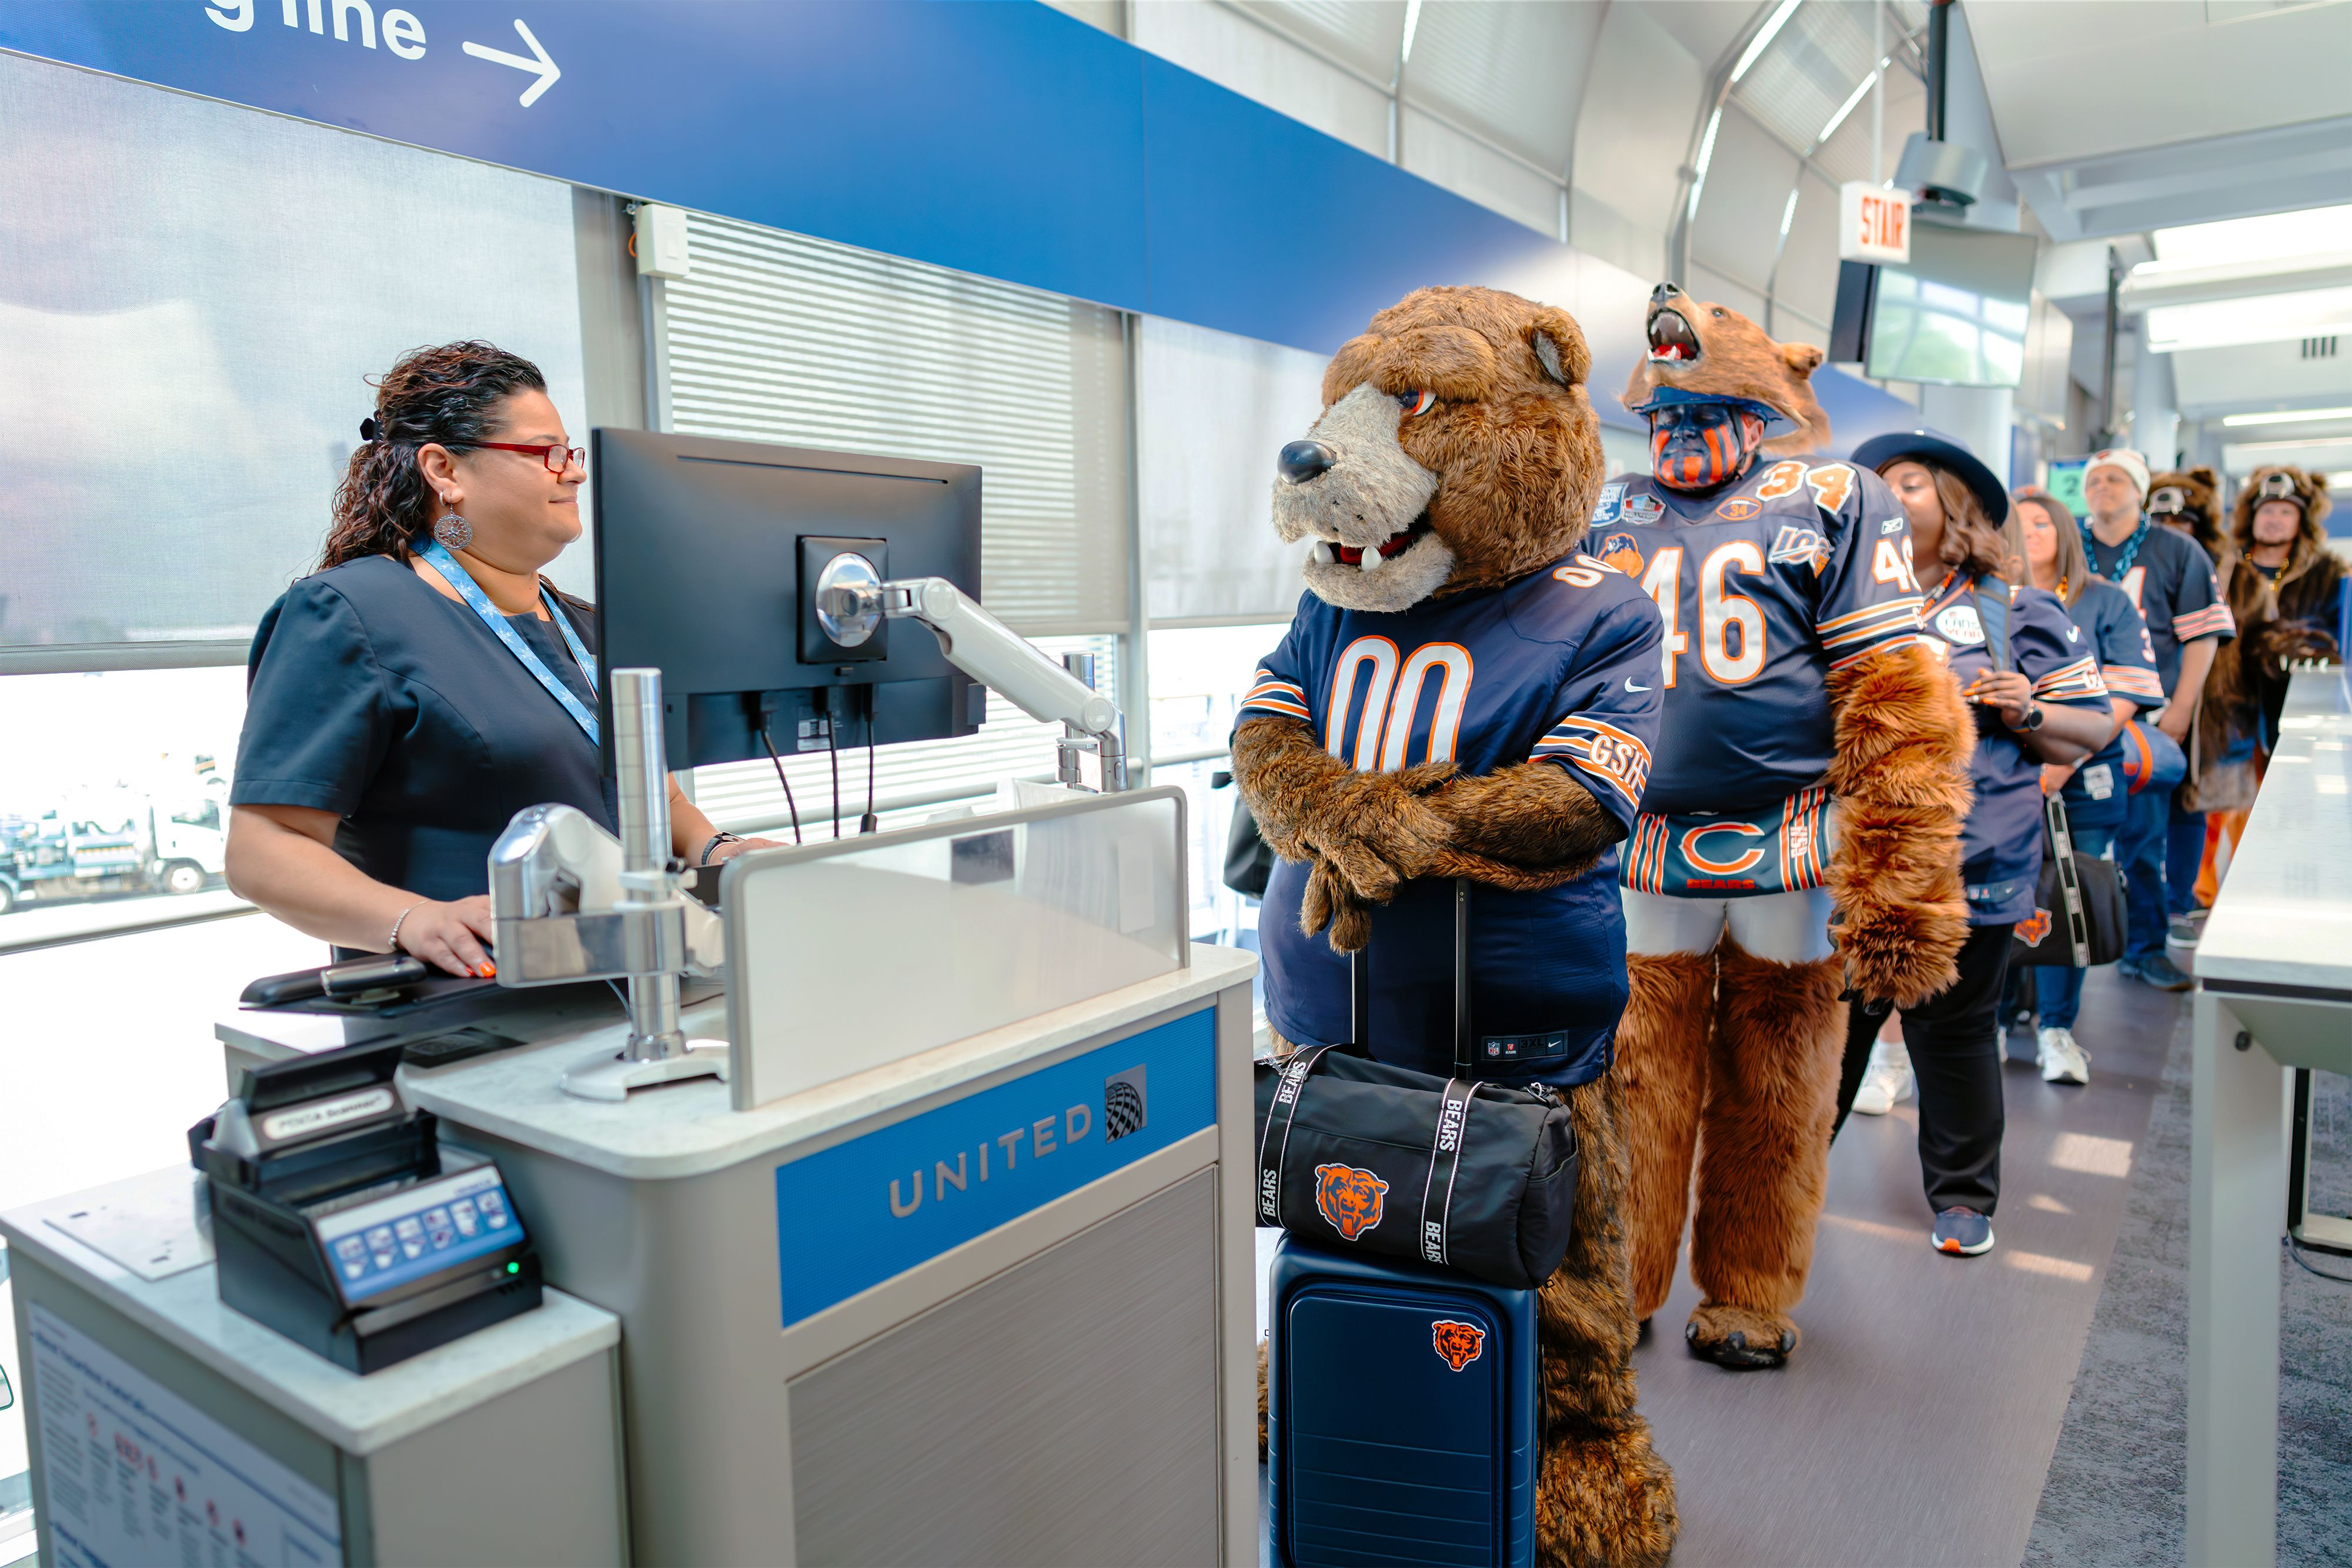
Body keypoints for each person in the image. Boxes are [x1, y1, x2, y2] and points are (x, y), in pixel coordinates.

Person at [1602, 290, 1973, 1362]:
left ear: (1758, 407)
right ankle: (1618, 1283)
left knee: (1779, 1078)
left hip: (1793, 836)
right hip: (1642, 842)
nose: (1675, 430)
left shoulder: (1835, 495)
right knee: (1632, 1072)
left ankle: (1753, 1289)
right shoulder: (1610, 510)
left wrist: (1898, 871)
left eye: (1698, 409)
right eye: (1660, 411)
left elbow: (1892, 684)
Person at [226, 341, 781, 975]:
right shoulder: (350, 614)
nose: (573, 472)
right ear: (445, 471)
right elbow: (263, 850)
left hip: (643, 986)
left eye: (569, 454)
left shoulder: (588, 625)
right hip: (470, 1010)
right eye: (546, 454)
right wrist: (412, 920)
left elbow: (654, 794)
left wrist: (717, 851)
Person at [1838, 433, 2113, 1258]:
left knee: (1956, 1033)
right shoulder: (1833, 599)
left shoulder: (2015, 610)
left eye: (1911, 485)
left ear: (1954, 507)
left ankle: (1962, 1197)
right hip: (1846, 867)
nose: (1889, 497)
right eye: (1875, 487)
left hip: (1974, 868)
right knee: (1827, 1036)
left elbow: (2089, 729)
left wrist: (2028, 707)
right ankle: (1777, 1190)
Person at [2008, 487, 2159, 1083]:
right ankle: (1992, 1022)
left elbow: (2123, 693)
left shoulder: (2104, 601)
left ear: (2065, 531)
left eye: (2043, 522)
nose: (2032, 532)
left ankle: (2056, 1030)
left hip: (2085, 774)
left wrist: (2061, 762)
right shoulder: (1986, 596)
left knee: (2067, 897)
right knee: (2001, 898)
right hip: (2006, 778)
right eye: (2020, 524)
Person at [2077, 450, 2233, 991]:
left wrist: (2183, 708)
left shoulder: (2177, 549)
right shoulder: (2068, 541)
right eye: (2094, 480)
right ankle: (2044, 960)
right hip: (2067, 715)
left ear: (2140, 490)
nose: (2103, 487)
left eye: (2115, 478)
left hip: (2144, 719)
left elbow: (2202, 635)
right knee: (2064, 843)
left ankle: (2145, 948)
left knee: (2144, 842)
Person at [2234, 466, 2346, 746]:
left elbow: (2338, 637)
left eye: (2286, 512)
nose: (2276, 519)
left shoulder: (2326, 573)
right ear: (2253, 516)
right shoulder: (2225, 568)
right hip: (2232, 698)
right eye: (2268, 511)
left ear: (2302, 520)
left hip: (2300, 706)